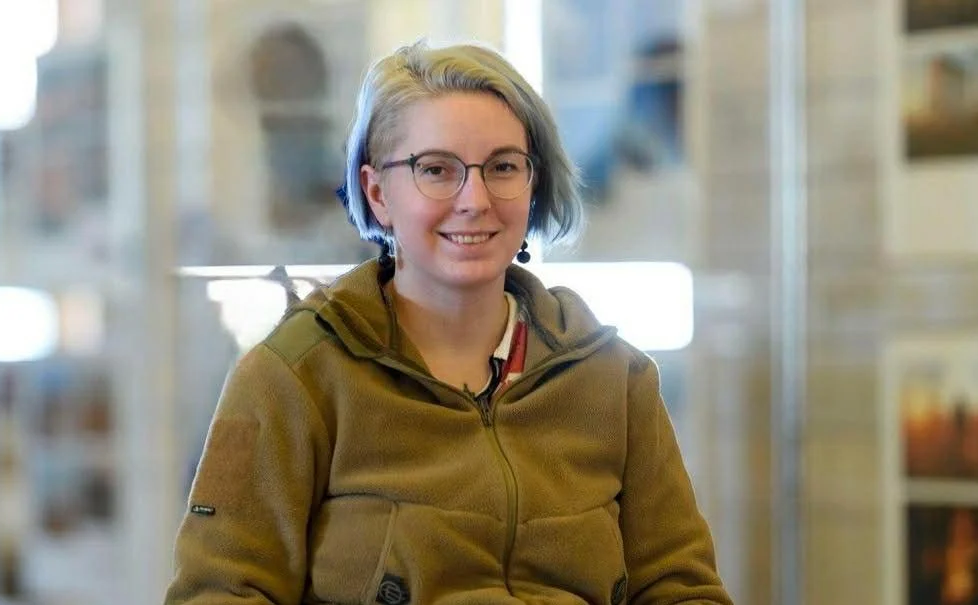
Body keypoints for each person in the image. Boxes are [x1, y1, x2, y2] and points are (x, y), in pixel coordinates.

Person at [165, 40, 732, 605]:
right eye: (436, 170)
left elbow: (683, 589)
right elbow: (218, 593)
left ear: (533, 185)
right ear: (377, 193)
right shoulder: (292, 378)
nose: (475, 199)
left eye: (503, 167)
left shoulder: (614, 381)